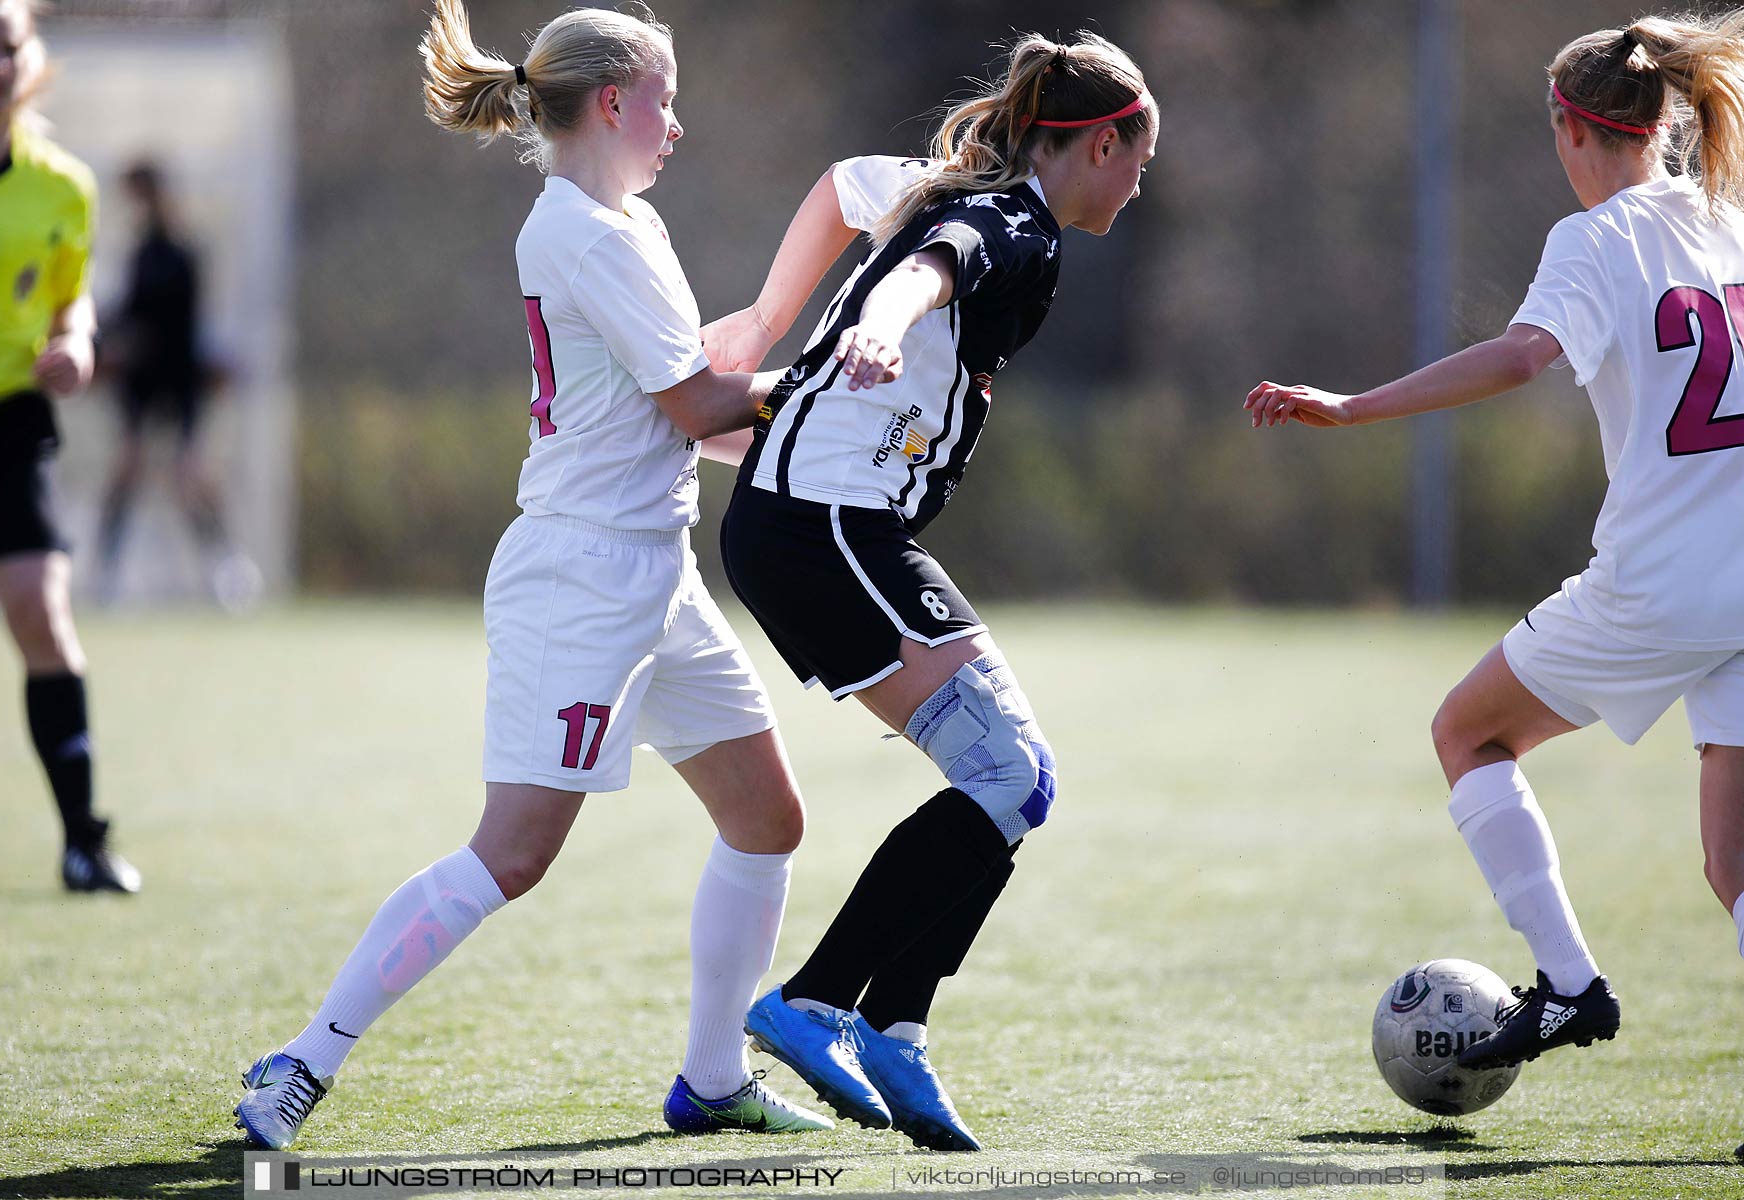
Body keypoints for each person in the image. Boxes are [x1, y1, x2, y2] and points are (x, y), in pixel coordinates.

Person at [234, 0, 827, 1150]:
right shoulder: (580, 232)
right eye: (665, 97)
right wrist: (834, 382)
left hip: (657, 575)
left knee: (766, 819)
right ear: (613, 101)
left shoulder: (628, 226)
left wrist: (822, 423)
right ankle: (306, 1062)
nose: (676, 124)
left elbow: (692, 423)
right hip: (582, 585)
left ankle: (710, 1079)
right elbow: (707, 402)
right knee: (513, 853)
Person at [1244, 11, 1744, 1095]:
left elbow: (1523, 358)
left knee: (1468, 732)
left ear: (1570, 126)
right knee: (1734, 865)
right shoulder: (1729, 222)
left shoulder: (1596, 239)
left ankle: (1569, 983)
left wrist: (1352, 406)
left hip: (1663, 585)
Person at [703, 33, 1156, 1151]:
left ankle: (897, 1030)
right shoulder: (1014, 223)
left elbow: (844, 188)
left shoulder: (957, 184)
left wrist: (772, 325)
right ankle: (815, 1004)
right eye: (1138, 157)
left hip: (821, 525)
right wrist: (872, 325)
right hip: (826, 532)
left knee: (1016, 781)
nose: (1142, 183)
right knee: (1009, 771)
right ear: (1098, 142)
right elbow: (928, 267)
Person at [0, 0, 139, 893]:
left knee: (43, 620)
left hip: (2, 424)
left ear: (29, 58)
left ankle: (83, 843)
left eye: (7, 47)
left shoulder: (62, 186)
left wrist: (79, 340)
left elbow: (73, 298)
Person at [95, 159, 259, 611]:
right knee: (127, 467)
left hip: (178, 376)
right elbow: (127, 312)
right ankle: (106, 571)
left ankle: (227, 567)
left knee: (190, 473)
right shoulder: (137, 252)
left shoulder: (183, 252)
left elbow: (183, 320)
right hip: (141, 380)